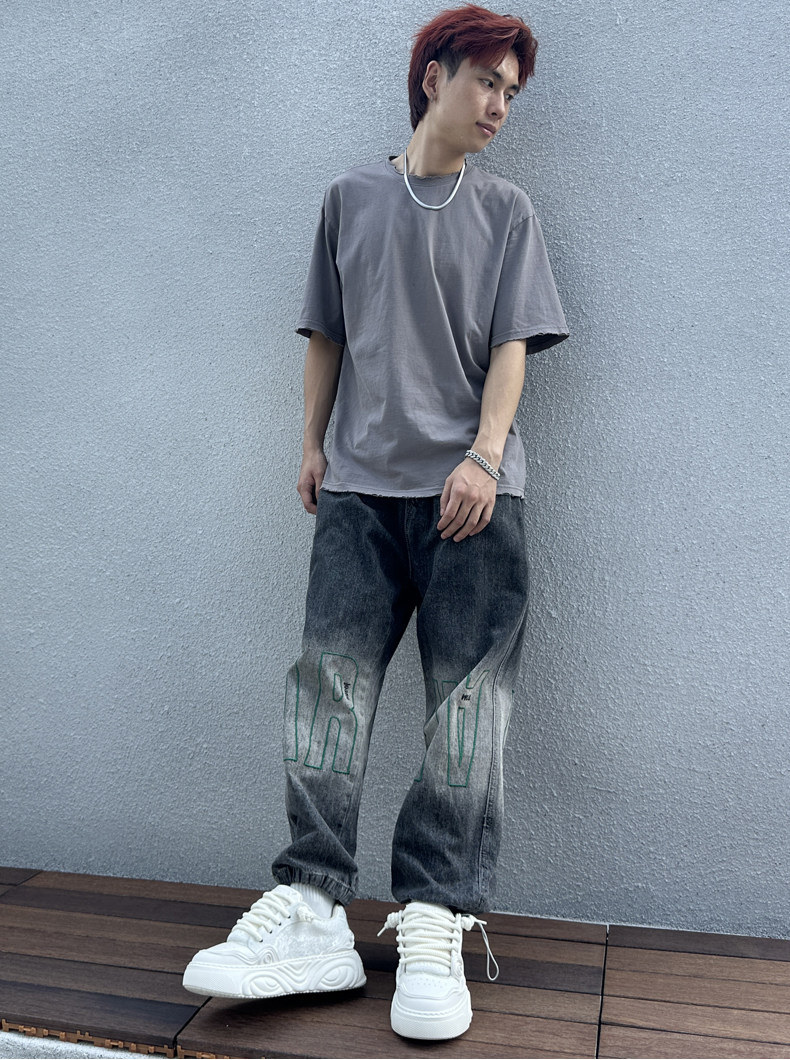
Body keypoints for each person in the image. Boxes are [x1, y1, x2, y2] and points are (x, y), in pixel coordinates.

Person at [183, 2, 568, 1042]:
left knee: (466, 713)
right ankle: (311, 904)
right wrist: (311, 444)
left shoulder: (508, 213)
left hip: (472, 502)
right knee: (328, 691)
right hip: (358, 493)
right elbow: (328, 334)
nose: (499, 105)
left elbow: (513, 348)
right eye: (485, 80)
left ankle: (435, 914)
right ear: (433, 74)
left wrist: (482, 456)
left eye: (511, 92)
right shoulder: (349, 198)